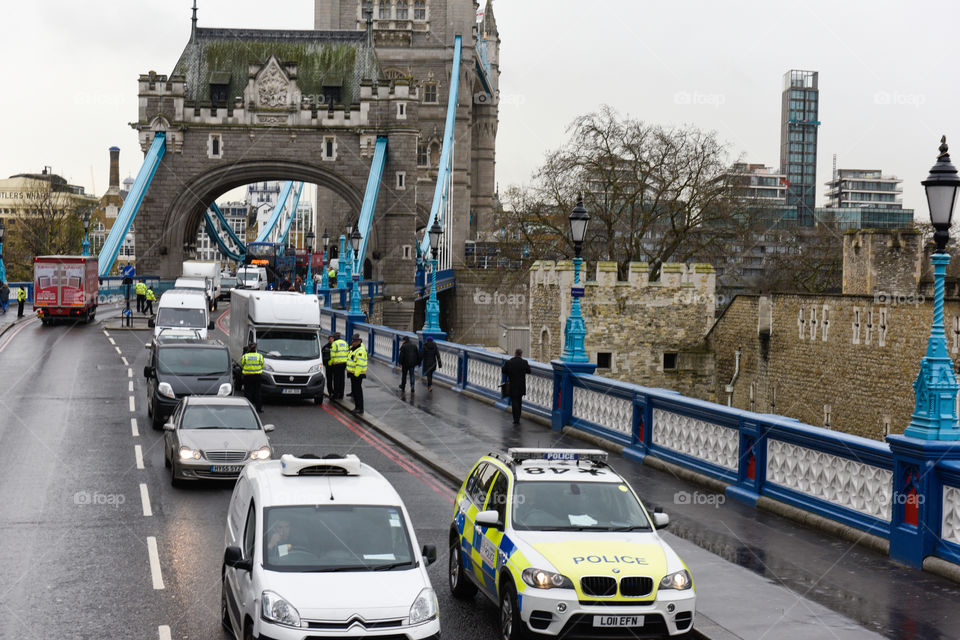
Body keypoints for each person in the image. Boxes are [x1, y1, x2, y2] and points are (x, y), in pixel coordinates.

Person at [502, 349, 532, 425]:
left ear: (515, 353)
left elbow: (503, 371)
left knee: (514, 401)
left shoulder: (509, 362)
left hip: (512, 385)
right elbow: (529, 371)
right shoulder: (524, 362)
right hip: (521, 385)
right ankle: (518, 417)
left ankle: (516, 418)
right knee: (519, 400)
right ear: (521, 354)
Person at [346, 335, 368, 414]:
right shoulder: (354, 349)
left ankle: (359, 408)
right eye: (352, 341)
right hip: (353, 373)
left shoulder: (360, 351)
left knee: (358, 392)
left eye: (354, 341)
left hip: (357, 375)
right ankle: (357, 407)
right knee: (355, 392)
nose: (353, 343)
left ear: (358, 341)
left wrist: (356, 374)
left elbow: (359, 364)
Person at [241, 342, 265, 412]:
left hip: (247, 377)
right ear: (255, 349)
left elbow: (242, 364)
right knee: (257, 393)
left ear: (249, 348)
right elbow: (262, 365)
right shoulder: (260, 356)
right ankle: (258, 409)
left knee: (248, 392)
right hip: (257, 376)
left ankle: (248, 408)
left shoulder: (245, 356)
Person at [329, 332, 349, 399]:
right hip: (344, 363)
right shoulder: (345, 343)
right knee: (342, 379)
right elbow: (347, 352)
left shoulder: (334, 344)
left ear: (334, 338)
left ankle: (336, 394)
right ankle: (341, 394)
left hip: (336, 364)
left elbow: (332, 354)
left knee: (336, 380)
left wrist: (331, 362)